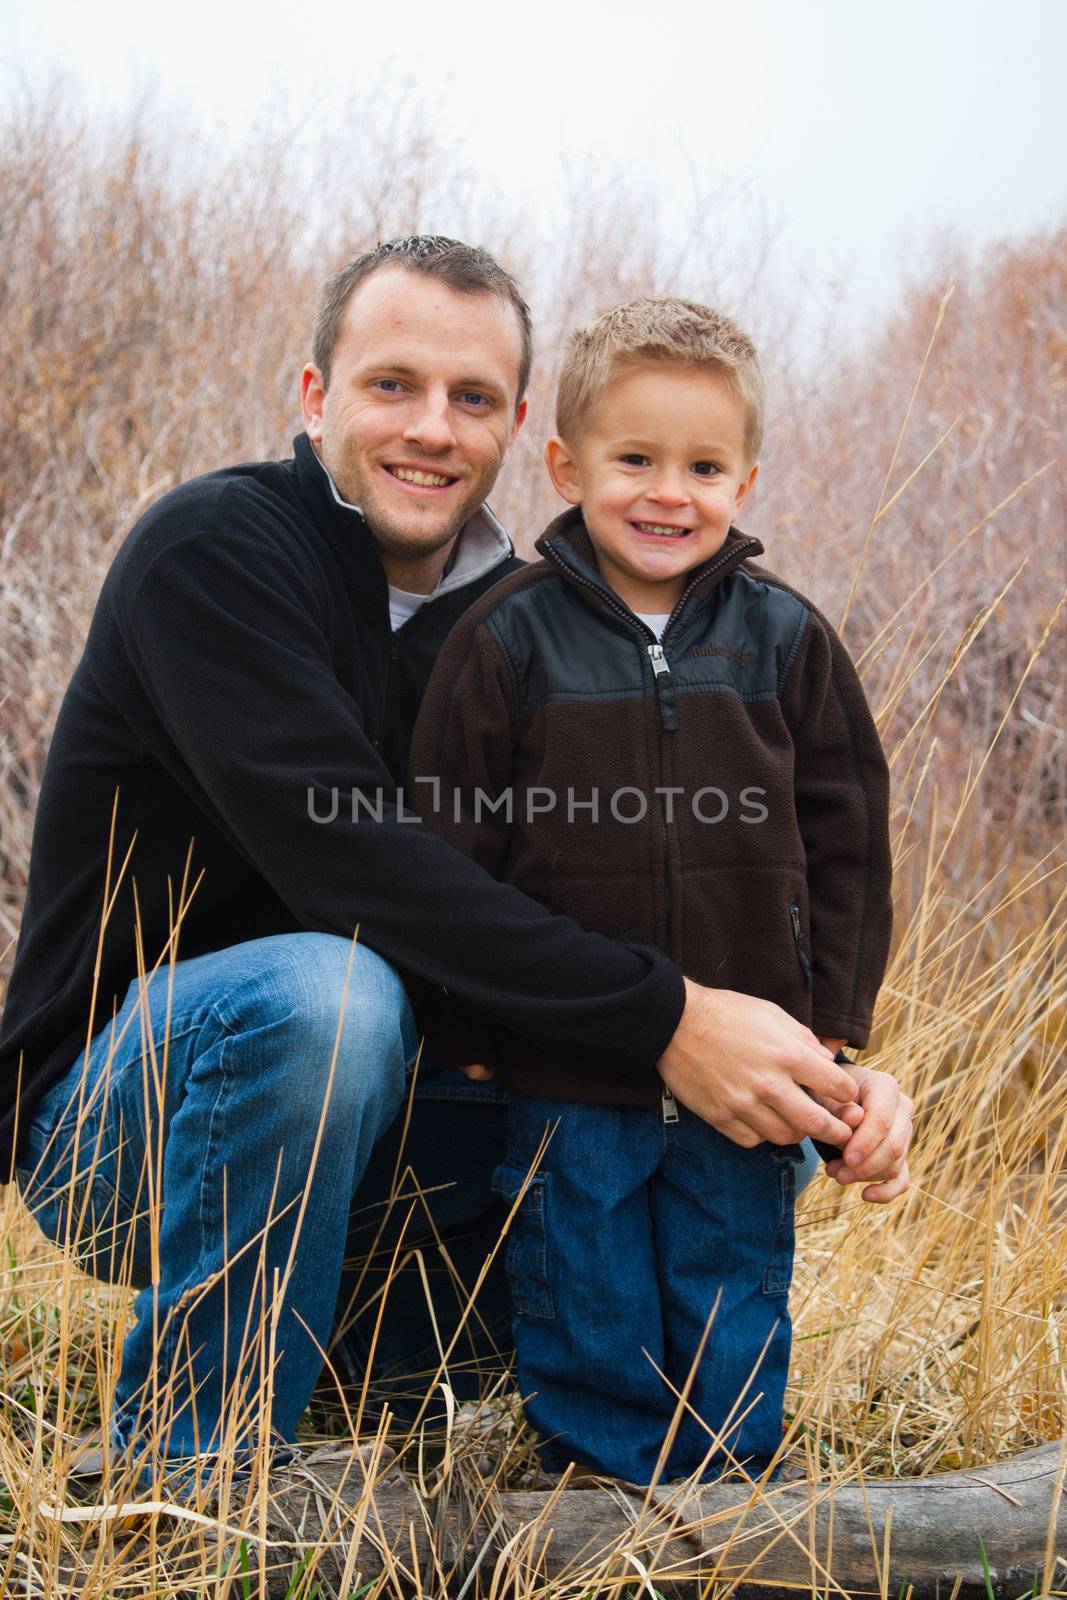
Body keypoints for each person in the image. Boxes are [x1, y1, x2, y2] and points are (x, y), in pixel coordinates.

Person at [0, 240, 911, 1490]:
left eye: (471, 397)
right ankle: (186, 1472)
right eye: (392, 384)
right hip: (127, 1123)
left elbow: (651, 891)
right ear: (314, 396)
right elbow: (363, 870)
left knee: (705, 1114)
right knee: (330, 998)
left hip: (387, 1121)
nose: (432, 427)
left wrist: (815, 1063)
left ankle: (574, 1440)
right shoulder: (213, 554)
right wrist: (667, 1016)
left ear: (519, 429)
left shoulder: (517, 630)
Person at [409, 296, 901, 1485]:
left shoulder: (782, 639)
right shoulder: (505, 638)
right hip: (562, 1060)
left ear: (745, 477)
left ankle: (731, 1474)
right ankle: (601, 1470)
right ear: (566, 464)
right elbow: (448, 845)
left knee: (731, 1260)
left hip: (754, 1050)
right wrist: (470, 1031)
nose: (665, 493)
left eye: (702, 465)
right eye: (633, 460)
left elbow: (847, 842)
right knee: (582, 1266)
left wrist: (832, 1021)